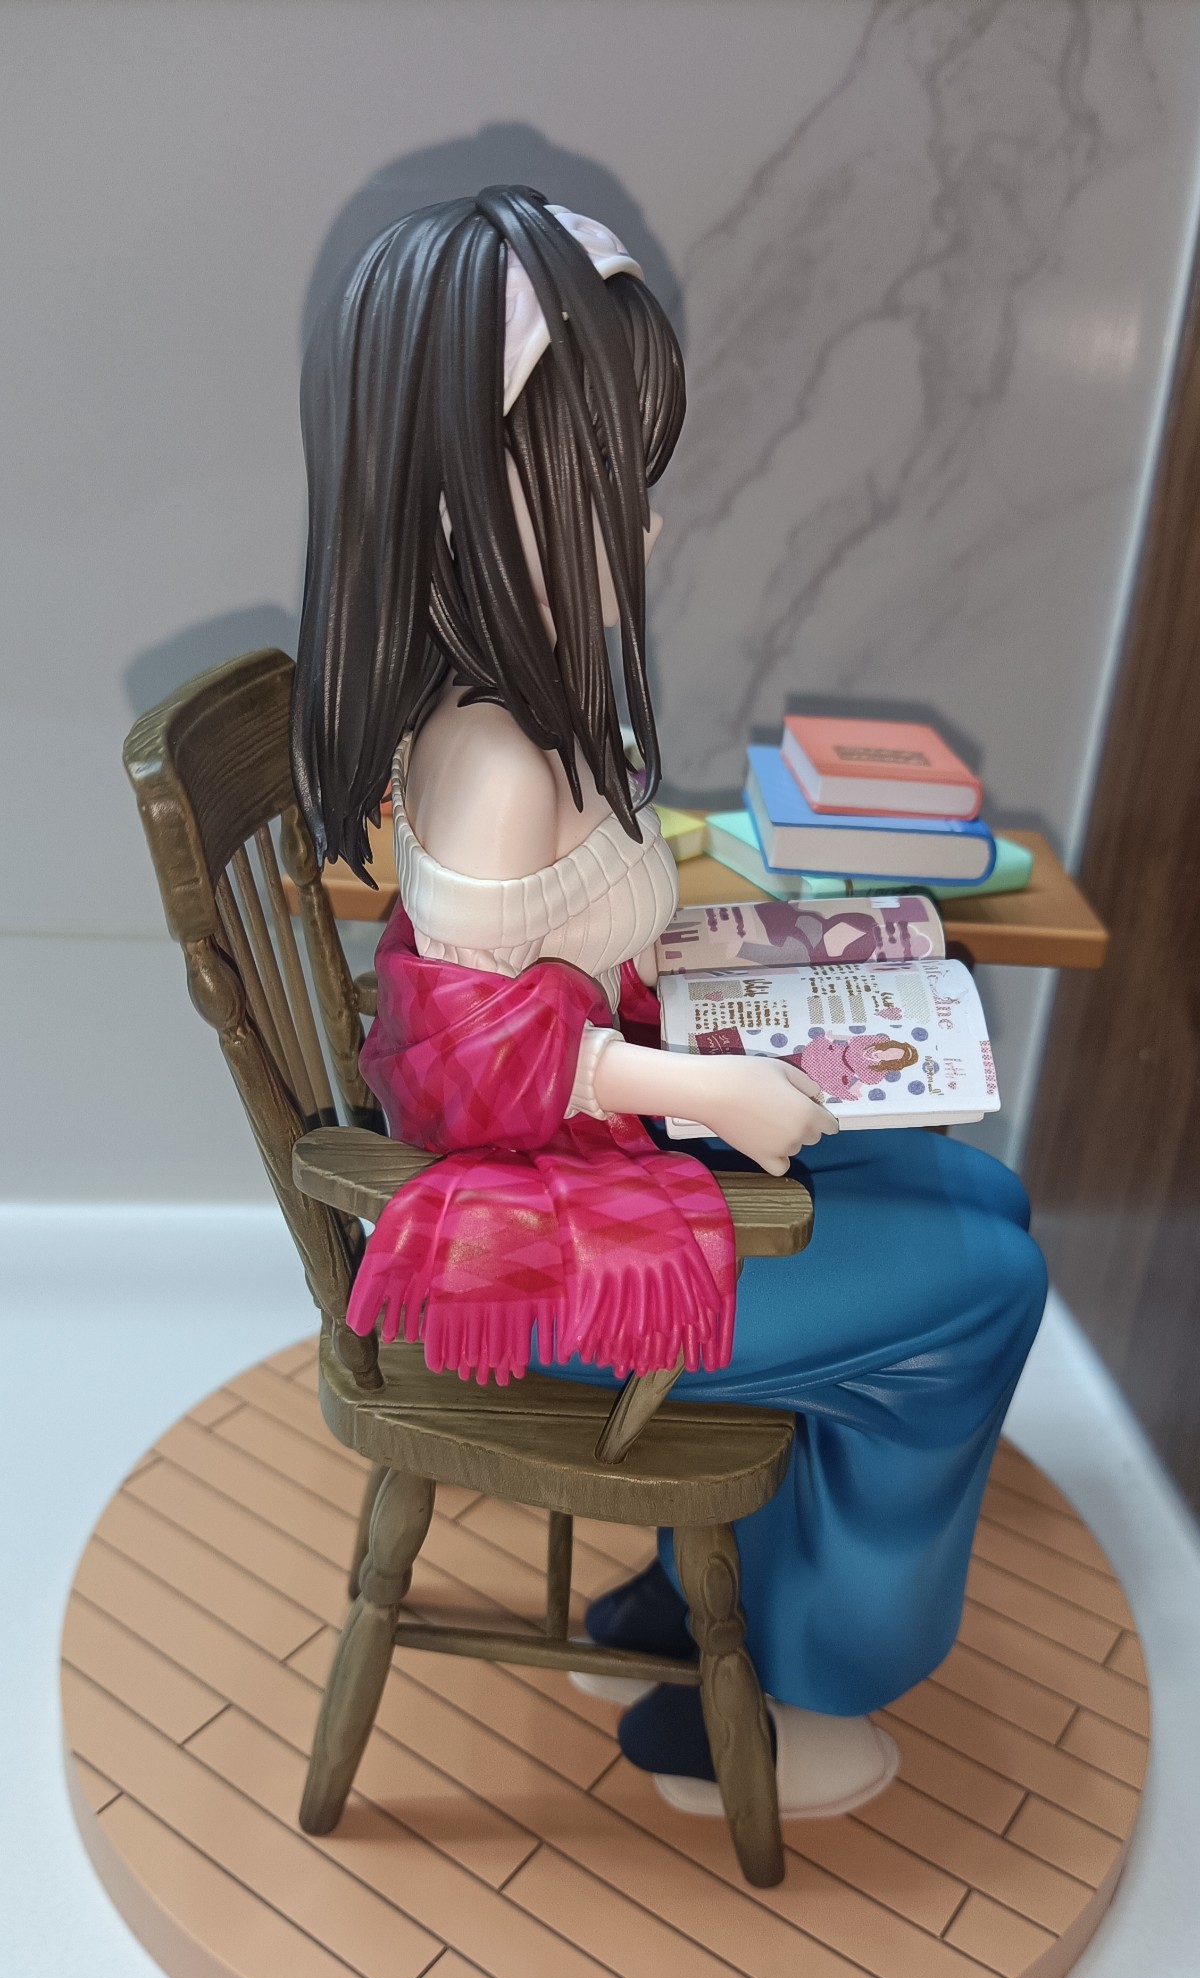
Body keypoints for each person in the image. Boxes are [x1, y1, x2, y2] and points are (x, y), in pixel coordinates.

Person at [291, 185, 1047, 1816]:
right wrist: (711, 1091)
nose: (643, 528)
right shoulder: (500, 763)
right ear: (462, 495)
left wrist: (755, 972)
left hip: (592, 1174)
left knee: (976, 1199)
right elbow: (474, 1072)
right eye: (598, 484)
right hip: (545, 1248)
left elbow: (555, 974)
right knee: (982, 1286)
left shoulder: (523, 715)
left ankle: (684, 1608)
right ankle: (787, 1685)